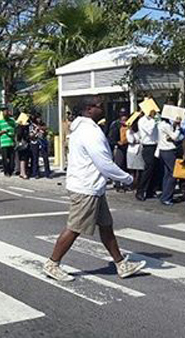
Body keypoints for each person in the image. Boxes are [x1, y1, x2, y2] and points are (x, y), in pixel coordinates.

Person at [43, 97, 146, 282]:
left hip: (93, 187)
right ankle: (52, 263)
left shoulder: (84, 128)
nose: (103, 108)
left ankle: (121, 264)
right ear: (89, 109)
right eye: (99, 106)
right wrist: (128, 179)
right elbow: (104, 163)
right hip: (86, 188)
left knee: (106, 227)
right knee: (74, 228)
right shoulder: (90, 132)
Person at [157, 116, 181, 205]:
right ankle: (167, 197)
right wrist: (178, 127)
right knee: (173, 174)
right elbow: (175, 137)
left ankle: (166, 195)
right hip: (168, 150)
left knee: (167, 174)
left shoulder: (161, 124)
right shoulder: (166, 125)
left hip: (163, 150)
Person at [136, 108, 158, 201]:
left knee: (155, 169)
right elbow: (150, 131)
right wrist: (154, 119)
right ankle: (140, 191)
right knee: (148, 169)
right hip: (148, 146)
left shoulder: (155, 119)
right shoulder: (143, 120)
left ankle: (150, 190)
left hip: (156, 145)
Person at [29, 113, 52, 178]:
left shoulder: (43, 124)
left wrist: (43, 129)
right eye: (37, 118)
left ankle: (47, 173)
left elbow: (46, 130)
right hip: (35, 142)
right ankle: (35, 173)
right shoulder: (32, 126)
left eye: (40, 118)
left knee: (45, 157)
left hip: (42, 142)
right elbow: (30, 135)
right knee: (35, 158)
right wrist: (36, 131)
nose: (39, 119)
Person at [0, 110, 17, 177]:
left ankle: (11, 170)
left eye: (6, 113)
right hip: (3, 143)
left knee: (12, 158)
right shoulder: (0, 122)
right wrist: (3, 131)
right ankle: (6, 172)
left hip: (11, 142)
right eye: (4, 114)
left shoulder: (12, 121)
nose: (5, 115)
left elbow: (15, 129)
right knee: (5, 159)